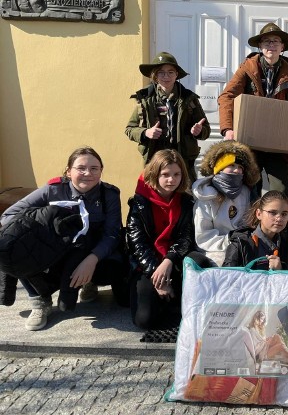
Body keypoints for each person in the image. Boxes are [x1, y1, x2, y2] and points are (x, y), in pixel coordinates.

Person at [0, 147, 128, 331]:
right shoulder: (52, 190)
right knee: (18, 248)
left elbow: (112, 233)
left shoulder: (109, 194)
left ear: (101, 171)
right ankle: (40, 301)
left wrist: (92, 260)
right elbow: (9, 214)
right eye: (81, 168)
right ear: (69, 171)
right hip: (54, 251)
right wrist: (37, 226)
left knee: (113, 269)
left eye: (94, 168)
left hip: (90, 251)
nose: (87, 173)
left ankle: (89, 282)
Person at [217, 23, 288, 194]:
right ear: (260, 46)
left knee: (280, 190)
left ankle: (279, 220)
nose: (271, 45)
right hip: (250, 142)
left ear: (282, 47)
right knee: (250, 190)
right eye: (267, 41)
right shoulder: (247, 69)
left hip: (277, 143)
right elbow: (227, 97)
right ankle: (251, 222)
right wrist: (228, 129)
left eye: (276, 41)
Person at [126, 149, 208, 329]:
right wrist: (157, 276)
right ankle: (164, 298)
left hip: (173, 260)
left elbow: (186, 237)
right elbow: (137, 243)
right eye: (165, 174)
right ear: (155, 174)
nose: (171, 180)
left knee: (199, 260)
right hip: (147, 264)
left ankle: (178, 301)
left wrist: (168, 261)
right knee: (144, 320)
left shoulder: (186, 202)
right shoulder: (140, 202)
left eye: (176, 174)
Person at [125, 52, 210, 183]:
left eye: (171, 72)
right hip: (155, 160)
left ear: (176, 75)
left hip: (183, 161)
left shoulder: (189, 99)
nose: (166, 76)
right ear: (154, 75)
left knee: (185, 199)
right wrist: (146, 132)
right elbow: (130, 129)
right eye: (161, 72)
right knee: (153, 196)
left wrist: (199, 131)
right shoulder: (145, 99)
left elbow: (206, 130)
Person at [192, 140, 261, 267]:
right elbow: (203, 235)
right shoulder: (205, 195)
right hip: (214, 250)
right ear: (219, 168)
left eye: (240, 167)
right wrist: (230, 240)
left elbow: (248, 223)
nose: (236, 171)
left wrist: (242, 241)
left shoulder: (245, 192)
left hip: (241, 246)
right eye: (232, 166)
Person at [223, 190, 288, 270]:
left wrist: (281, 269)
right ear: (259, 214)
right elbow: (226, 277)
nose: (279, 218)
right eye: (273, 213)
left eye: (284, 214)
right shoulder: (241, 243)